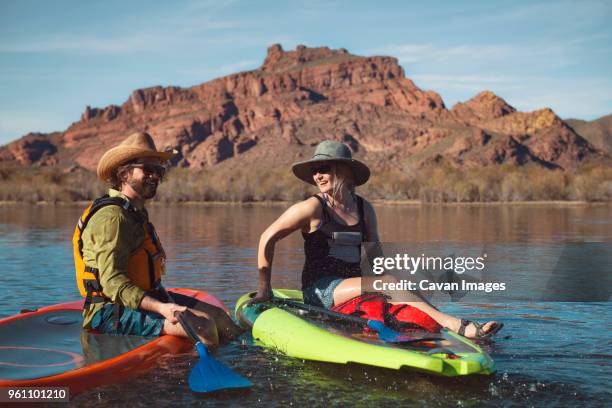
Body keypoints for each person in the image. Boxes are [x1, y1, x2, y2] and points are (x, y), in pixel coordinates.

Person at [251, 140, 502, 339]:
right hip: (321, 291)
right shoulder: (311, 208)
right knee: (389, 283)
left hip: (352, 287)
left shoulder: (364, 209)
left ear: (345, 171)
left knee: (401, 284)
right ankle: (456, 325)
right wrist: (265, 290)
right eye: (315, 170)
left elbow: (375, 256)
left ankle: (439, 326)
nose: (318, 175)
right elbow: (266, 238)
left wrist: (387, 288)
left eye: (324, 168)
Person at [73, 131, 241, 349]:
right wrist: (162, 308)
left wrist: (162, 302)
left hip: (142, 299)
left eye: (159, 171)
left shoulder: (134, 212)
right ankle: (195, 379)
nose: (155, 176)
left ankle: (246, 359)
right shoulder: (113, 219)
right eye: (148, 169)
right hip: (108, 311)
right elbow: (113, 284)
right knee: (204, 326)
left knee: (218, 316)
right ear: (124, 174)